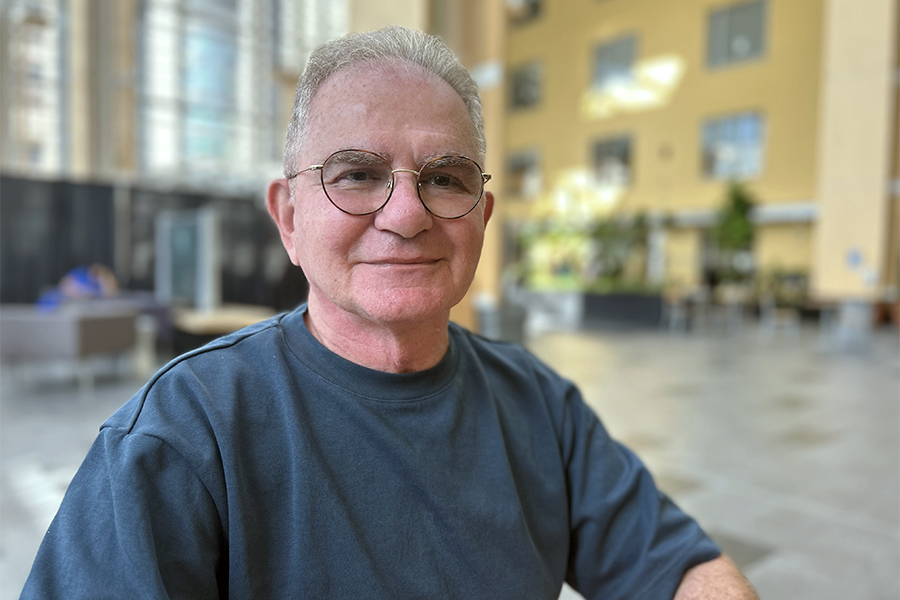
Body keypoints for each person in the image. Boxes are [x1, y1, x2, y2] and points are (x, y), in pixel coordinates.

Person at [21, 27, 758, 599]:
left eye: (444, 178)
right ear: (287, 216)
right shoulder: (180, 436)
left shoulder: (539, 406)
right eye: (358, 174)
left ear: (482, 215)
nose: (406, 214)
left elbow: (679, 568)